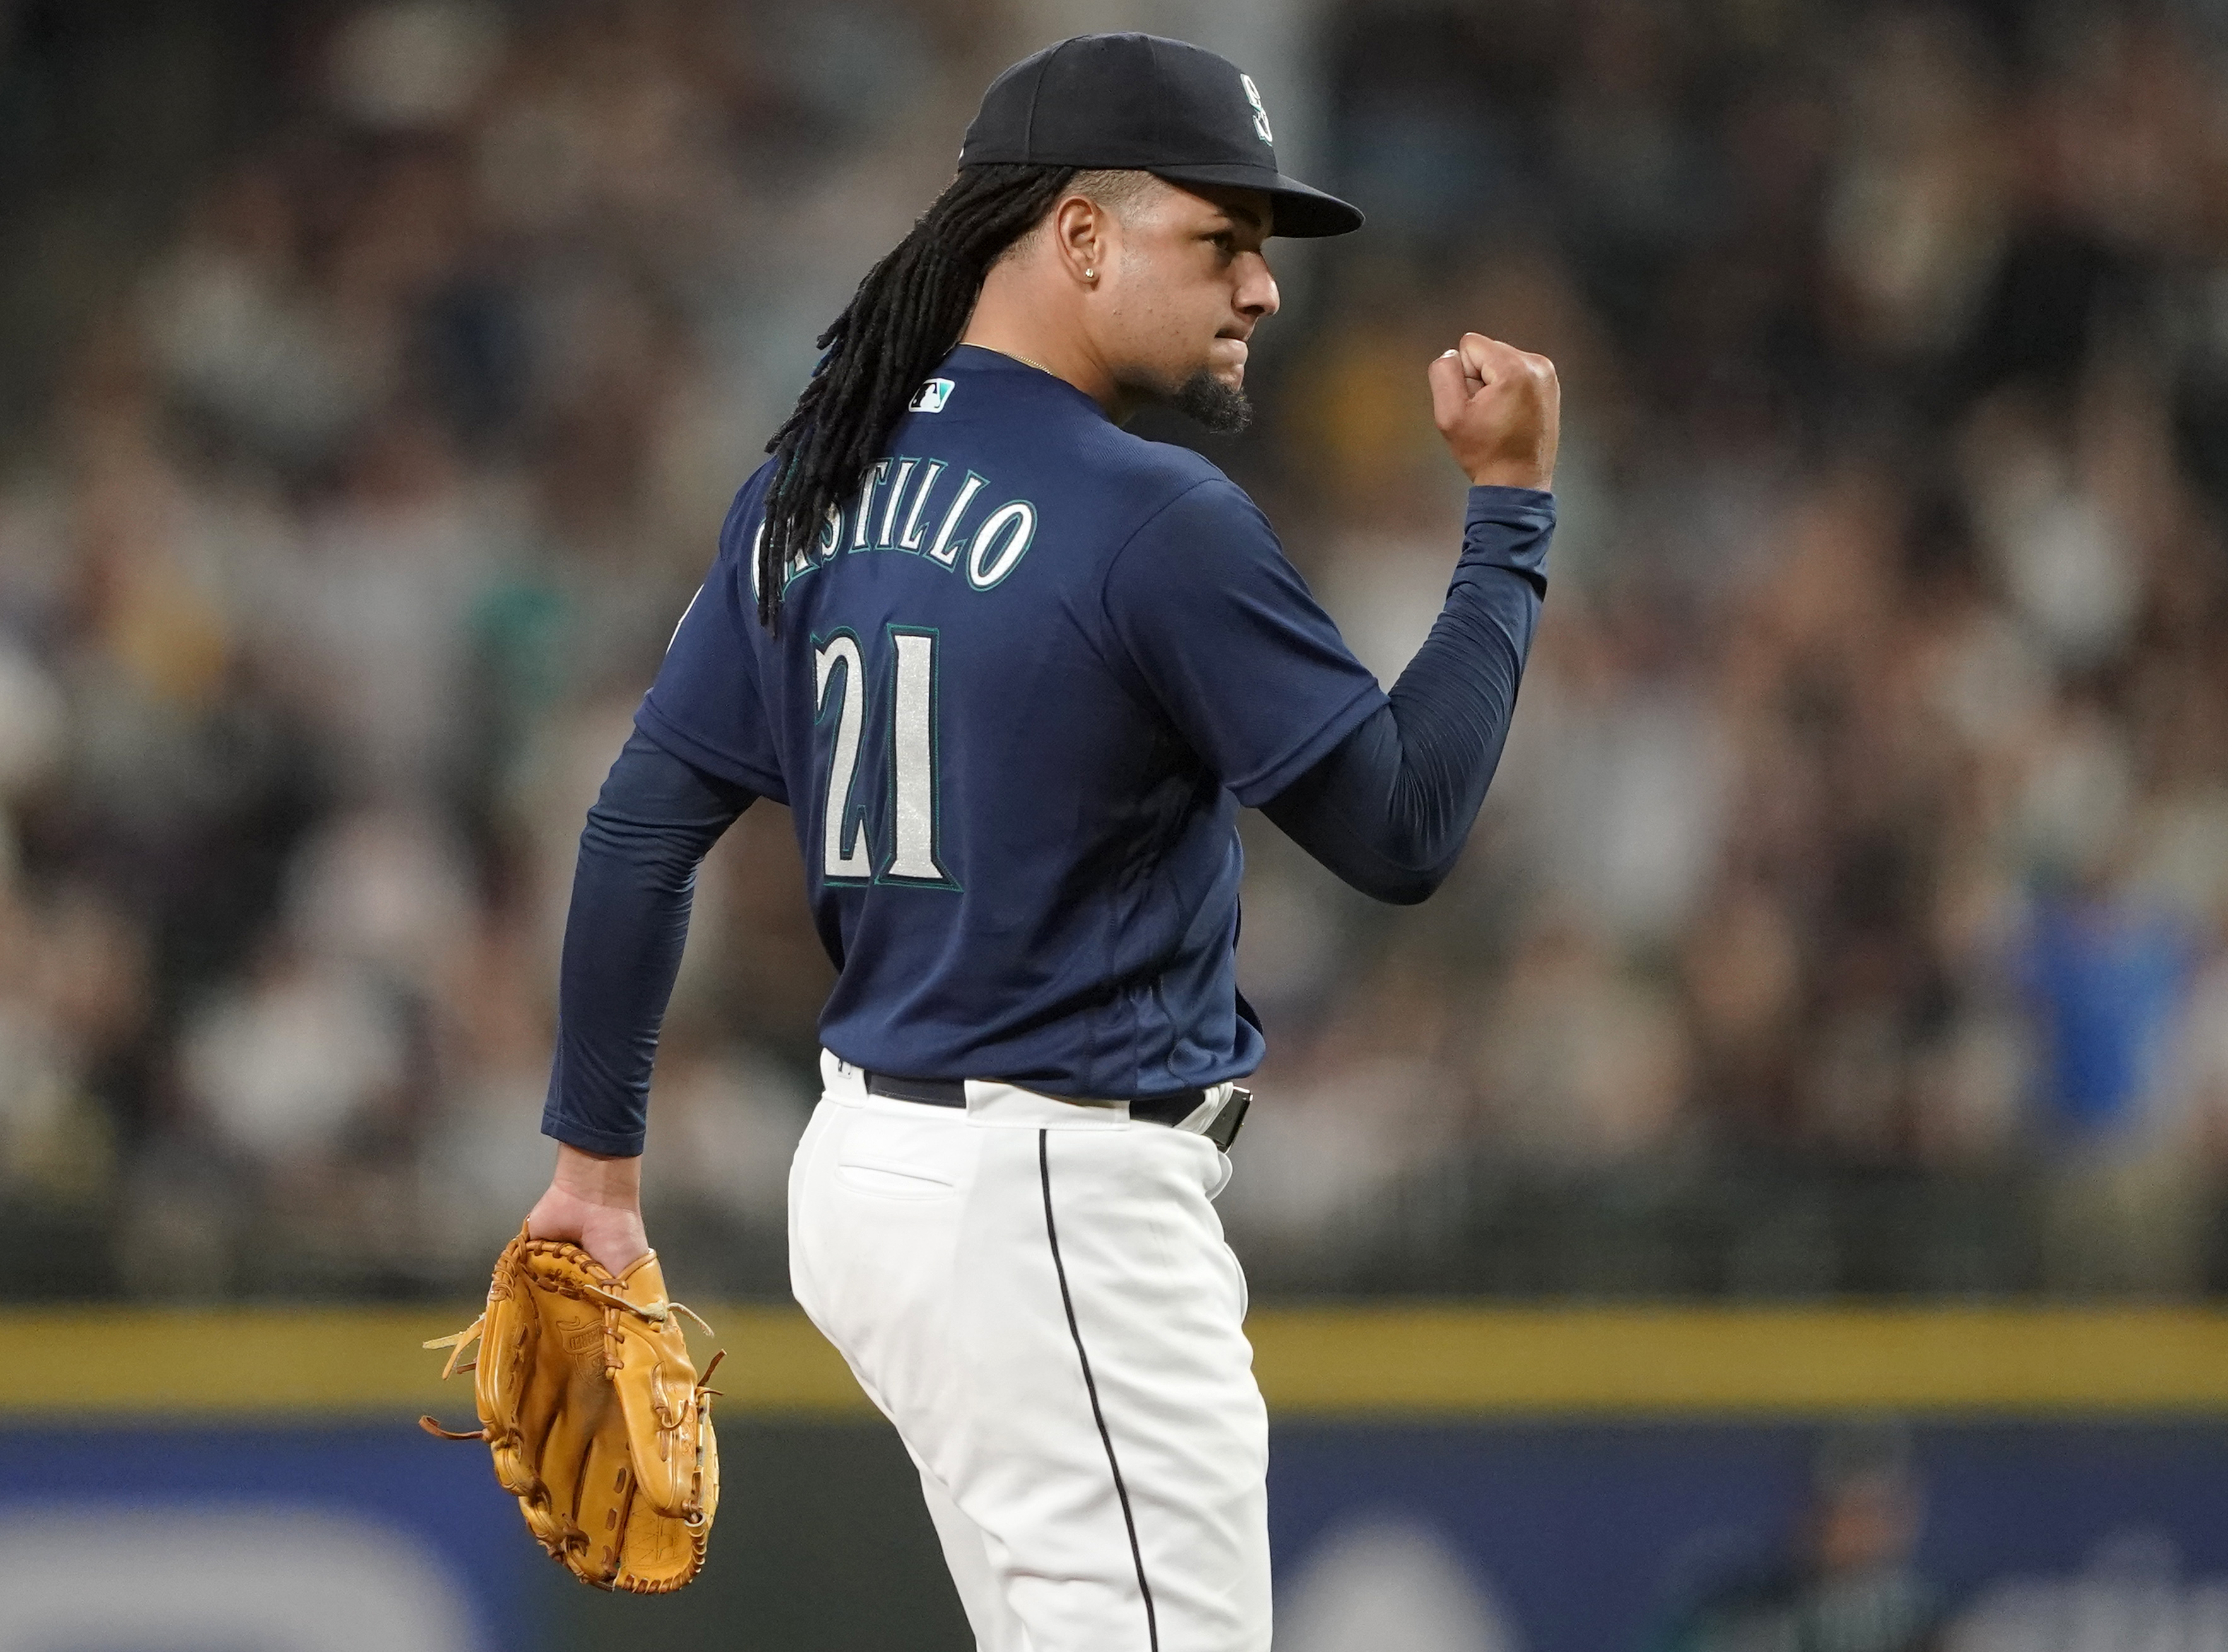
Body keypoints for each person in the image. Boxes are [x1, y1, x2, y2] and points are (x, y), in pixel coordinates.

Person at [519, 32, 1558, 1652]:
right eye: (1223, 240)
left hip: (873, 1164)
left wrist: (594, 1167)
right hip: (1055, 1194)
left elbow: (644, 824)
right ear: (1081, 235)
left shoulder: (813, 479)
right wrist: (1509, 519)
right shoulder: (1148, 516)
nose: (1262, 289)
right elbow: (1405, 826)